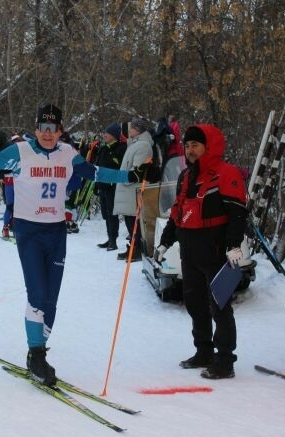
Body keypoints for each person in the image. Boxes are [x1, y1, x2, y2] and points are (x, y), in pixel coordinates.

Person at [0, 103, 150, 386]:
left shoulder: (68, 153)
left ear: (59, 131)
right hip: (29, 232)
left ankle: (39, 350)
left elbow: (94, 172)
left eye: (53, 129)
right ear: (36, 130)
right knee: (37, 292)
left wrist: (129, 176)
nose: (47, 134)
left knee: (51, 299)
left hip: (56, 233)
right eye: (43, 128)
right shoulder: (19, 151)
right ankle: (36, 355)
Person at [154, 124, 248, 380]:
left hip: (216, 250)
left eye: (196, 144)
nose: (190, 149)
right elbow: (177, 212)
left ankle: (225, 361)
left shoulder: (225, 173)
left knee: (220, 306)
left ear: (210, 146)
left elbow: (238, 213)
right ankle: (204, 351)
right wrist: (165, 242)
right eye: (187, 145)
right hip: (190, 250)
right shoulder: (186, 176)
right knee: (195, 304)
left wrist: (233, 245)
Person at [114, 117, 154, 262]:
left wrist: (124, 178)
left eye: (132, 127)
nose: (129, 129)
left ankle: (137, 250)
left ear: (137, 130)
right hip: (128, 191)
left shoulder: (143, 145)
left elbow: (138, 171)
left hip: (134, 190)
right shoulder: (134, 144)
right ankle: (133, 247)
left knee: (134, 223)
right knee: (130, 222)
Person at [93, 122, 126, 251]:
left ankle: (113, 240)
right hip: (102, 185)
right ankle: (109, 238)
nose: (105, 135)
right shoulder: (103, 148)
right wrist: (96, 184)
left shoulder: (120, 148)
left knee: (112, 214)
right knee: (106, 214)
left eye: (108, 133)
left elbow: (121, 168)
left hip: (113, 187)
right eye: (105, 133)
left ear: (114, 135)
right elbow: (98, 167)